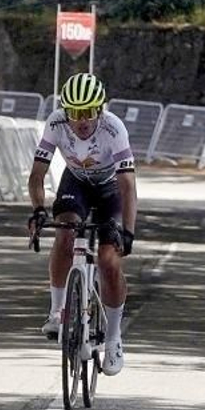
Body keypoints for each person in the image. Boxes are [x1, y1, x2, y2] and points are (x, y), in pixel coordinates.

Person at [25, 71, 137, 375]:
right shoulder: (56, 122)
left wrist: (128, 231)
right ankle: (57, 311)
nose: (82, 120)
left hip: (110, 188)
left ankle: (113, 338)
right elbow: (37, 175)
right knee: (64, 235)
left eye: (89, 112)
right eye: (75, 112)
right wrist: (37, 210)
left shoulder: (114, 129)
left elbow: (127, 185)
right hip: (75, 183)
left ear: (100, 110)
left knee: (108, 261)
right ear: (66, 111)